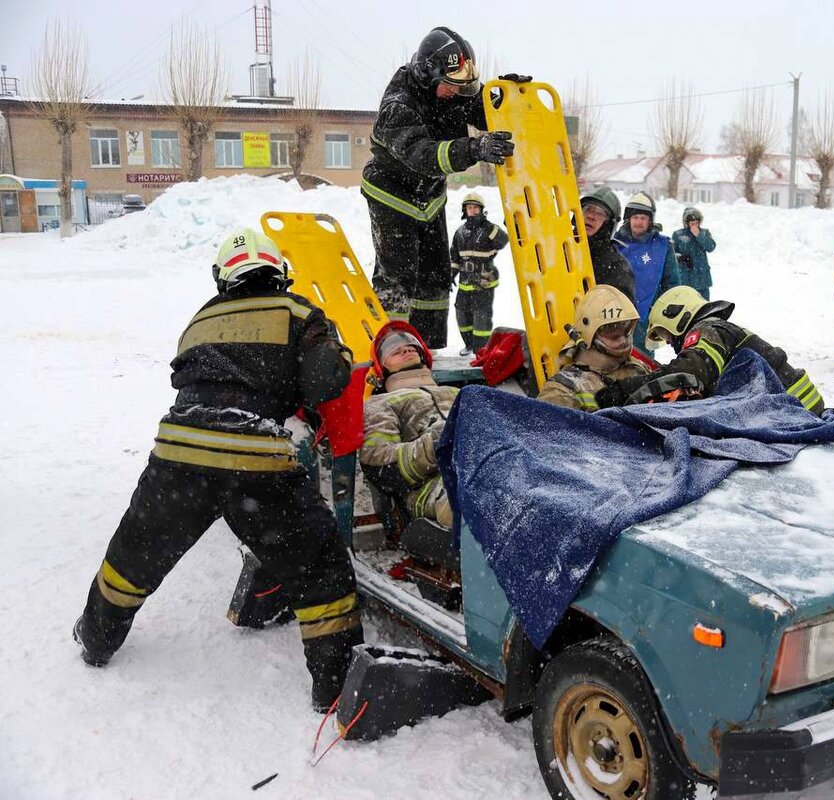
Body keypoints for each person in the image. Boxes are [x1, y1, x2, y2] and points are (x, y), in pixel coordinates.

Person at [72, 229, 364, 711]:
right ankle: (335, 688)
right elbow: (324, 381)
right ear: (280, 273)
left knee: (135, 552)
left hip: (179, 455)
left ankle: (97, 638)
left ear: (222, 277)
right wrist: (341, 356)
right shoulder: (298, 312)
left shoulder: (199, 318)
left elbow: (181, 373)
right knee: (318, 563)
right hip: (257, 461)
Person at [361, 26, 520, 349]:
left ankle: (428, 349)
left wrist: (507, 99)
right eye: (450, 85)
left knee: (435, 277)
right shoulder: (398, 107)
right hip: (392, 196)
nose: (457, 93)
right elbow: (423, 155)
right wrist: (474, 149)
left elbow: (482, 109)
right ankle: (391, 349)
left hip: (428, 197)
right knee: (399, 279)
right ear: (427, 75)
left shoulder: (451, 91)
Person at [596, 285, 825, 415]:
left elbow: (688, 373)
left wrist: (623, 391)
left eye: (665, 333)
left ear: (679, 315)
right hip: (795, 406)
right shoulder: (720, 329)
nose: (667, 342)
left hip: (795, 410)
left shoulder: (707, 329)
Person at [360, 322, 458, 527]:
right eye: (394, 350)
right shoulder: (381, 403)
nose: (406, 348)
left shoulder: (459, 393)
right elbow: (379, 464)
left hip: (487, 465)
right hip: (433, 487)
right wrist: (433, 446)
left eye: (411, 347)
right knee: (476, 498)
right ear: (381, 367)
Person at [537, 285, 651, 412]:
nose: (623, 340)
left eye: (627, 329)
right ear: (588, 332)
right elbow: (544, 429)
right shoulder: (562, 390)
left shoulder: (638, 368)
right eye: (612, 330)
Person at [613, 191, 680, 352]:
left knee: (643, 363)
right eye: (635, 217)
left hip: (646, 318)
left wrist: (661, 312)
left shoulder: (663, 246)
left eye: (643, 218)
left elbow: (671, 283)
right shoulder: (614, 243)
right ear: (629, 218)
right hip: (615, 315)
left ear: (650, 220)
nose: (639, 222)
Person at [450, 192, 509, 355]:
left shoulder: (488, 229)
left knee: (481, 317)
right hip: (465, 282)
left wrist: (488, 225)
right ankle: (469, 344)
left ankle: (480, 349)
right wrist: (451, 274)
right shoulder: (460, 232)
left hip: (484, 282)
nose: (473, 211)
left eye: (476, 208)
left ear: (481, 210)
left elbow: (503, 240)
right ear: (465, 210)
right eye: (470, 207)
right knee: (462, 315)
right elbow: (454, 256)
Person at [579, 186, 636, 301]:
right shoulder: (560, 248)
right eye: (588, 209)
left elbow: (622, 313)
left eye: (600, 213)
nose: (591, 216)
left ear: (608, 224)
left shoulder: (616, 266)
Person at [671, 207, 717, 299]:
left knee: (704, 307)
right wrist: (681, 257)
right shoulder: (678, 234)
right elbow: (671, 254)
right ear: (686, 223)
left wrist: (699, 235)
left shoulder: (704, 233)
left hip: (702, 279)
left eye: (697, 223)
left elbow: (711, 247)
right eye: (692, 223)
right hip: (685, 278)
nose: (694, 225)